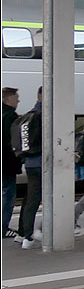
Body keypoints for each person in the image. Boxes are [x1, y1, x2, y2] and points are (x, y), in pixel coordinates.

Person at [14, 88, 47, 246]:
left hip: (30, 163)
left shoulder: (28, 115)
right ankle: (37, 232)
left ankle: (24, 235)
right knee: (48, 197)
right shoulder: (44, 115)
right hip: (44, 163)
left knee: (31, 199)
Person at [3, 87, 18, 239]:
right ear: (8, 99)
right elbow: (11, 141)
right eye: (16, 98)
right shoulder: (9, 116)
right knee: (8, 195)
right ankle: (3, 228)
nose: (18, 101)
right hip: (7, 162)